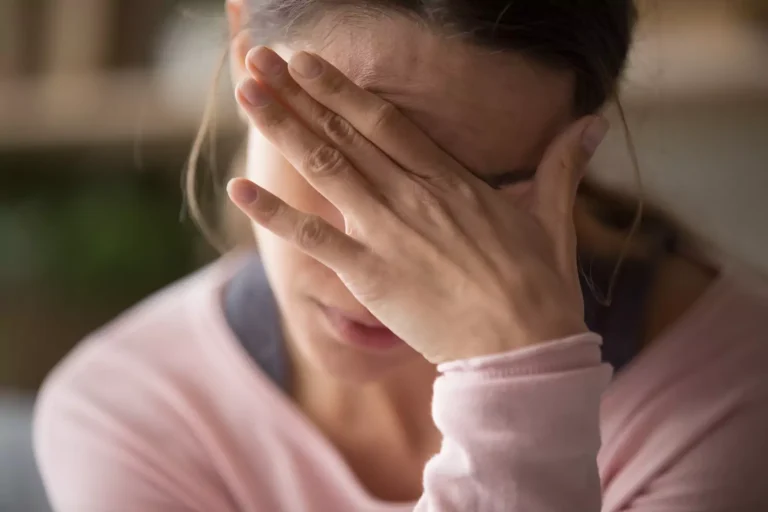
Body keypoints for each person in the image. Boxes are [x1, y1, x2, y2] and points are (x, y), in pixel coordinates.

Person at [33, 1, 768, 510]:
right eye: (339, 154)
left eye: (478, 194)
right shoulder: (132, 412)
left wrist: (519, 377)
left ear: (578, 141)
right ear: (241, 47)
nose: (373, 262)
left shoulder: (728, 395)